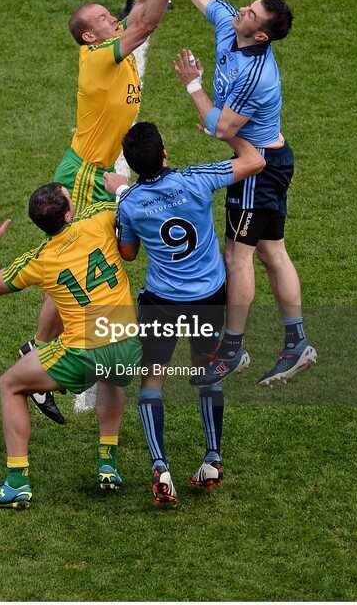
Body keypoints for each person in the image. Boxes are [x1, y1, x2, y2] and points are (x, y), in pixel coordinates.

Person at [122, 0, 318, 387]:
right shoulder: (232, 25)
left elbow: (222, 128)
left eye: (251, 13)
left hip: (256, 166)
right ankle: (296, 343)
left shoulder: (255, 74)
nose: (241, 10)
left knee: (238, 257)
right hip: (270, 158)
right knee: (273, 251)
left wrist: (193, 86)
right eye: (246, 6)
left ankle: (231, 349)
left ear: (262, 34)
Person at [22, 0, 174, 425]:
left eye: (112, 16)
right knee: (80, 259)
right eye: (105, 19)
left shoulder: (115, 51)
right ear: (90, 39)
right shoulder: (99, 59)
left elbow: (139, 12)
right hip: (86, 174)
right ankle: (42, 350)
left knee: (82, 260)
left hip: (96, 168)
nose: (115, 19)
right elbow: (148, 20)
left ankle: (42, 348)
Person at [105, 121, 265, 507]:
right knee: (205, 373)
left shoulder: (129, 204)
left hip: (162, 301)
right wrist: (225, 130)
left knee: (152, 382)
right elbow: (255, 161)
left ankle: (160, 466)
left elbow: (127, 254)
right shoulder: (196, 180)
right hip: (208, 298)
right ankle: (212, 458)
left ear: (131, 163)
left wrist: (122, 192)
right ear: (165, 154)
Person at [0, 184, 142, 509]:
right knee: (110, 374)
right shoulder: (100, 218)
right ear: (68, 212)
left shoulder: (41, 260)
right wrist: (118, 189)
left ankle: (17, 484)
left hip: (82, 351)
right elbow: (129, 209)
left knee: (9, 384)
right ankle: (108, 463)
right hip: (127, 342)